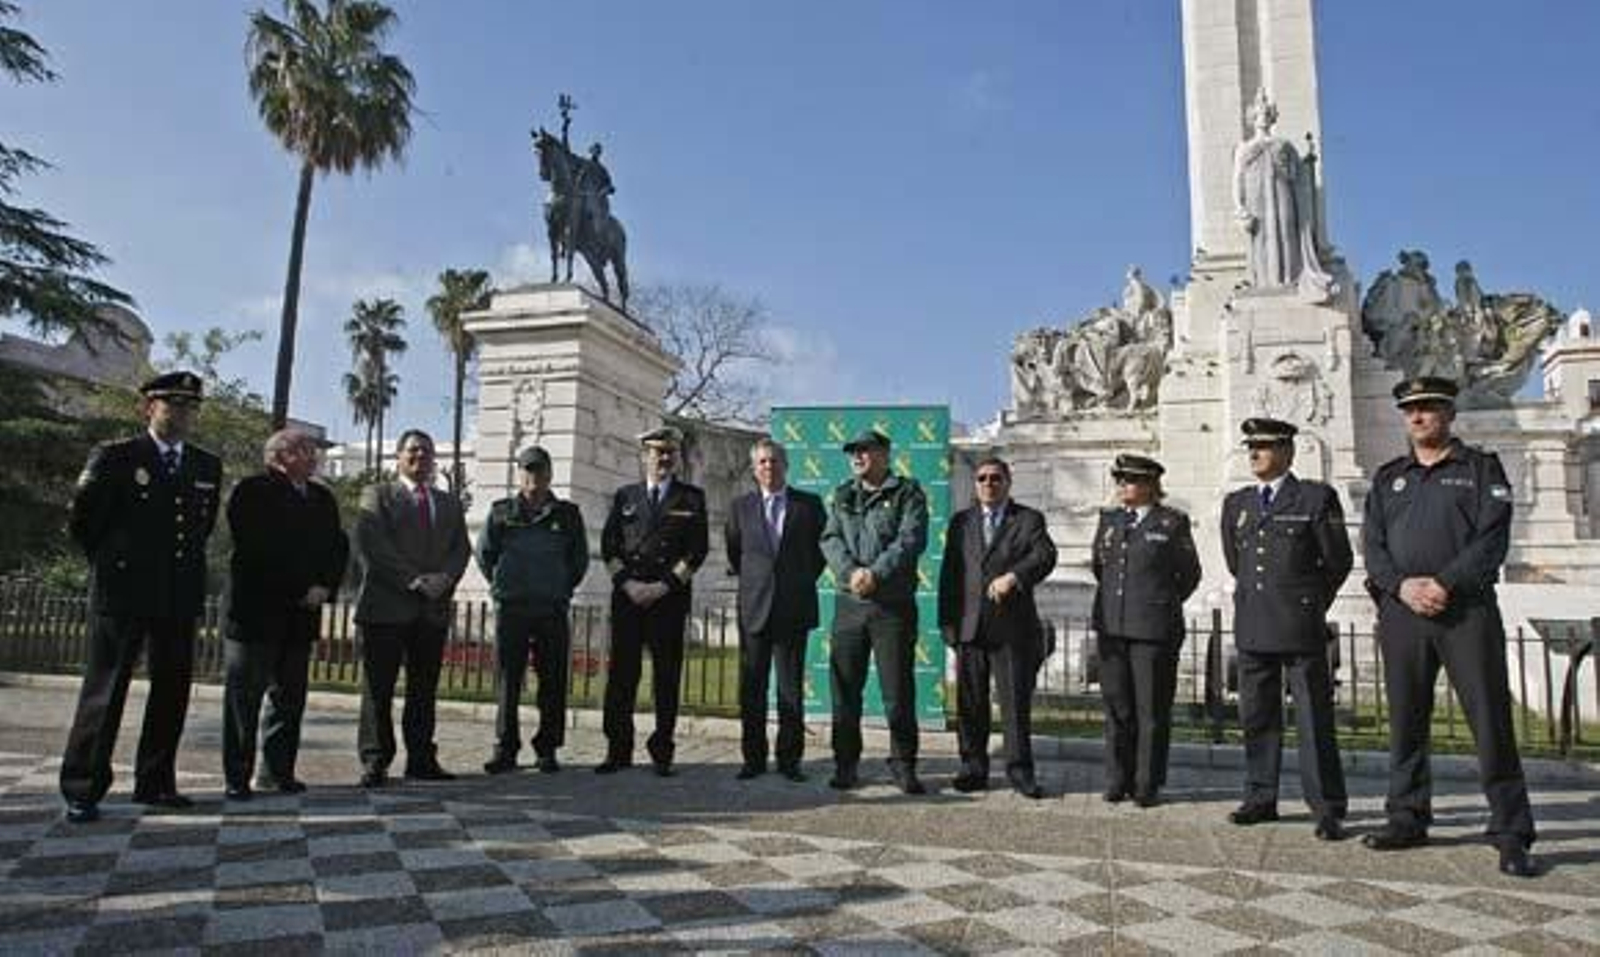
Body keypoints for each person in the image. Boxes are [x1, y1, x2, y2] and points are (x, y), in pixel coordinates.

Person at [1361, 377, 1538, 878]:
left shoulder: (1480, 469)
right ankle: (1407, 816)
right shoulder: (1388, 477)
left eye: (1428, 409)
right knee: (1406, 721)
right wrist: (1401, 587)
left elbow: (1491, 540)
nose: (1418, 417)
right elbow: (1373, 547)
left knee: (1490, 722)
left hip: (1465, 613)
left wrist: (1445, 583)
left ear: (1448, 413)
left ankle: (1511, 832)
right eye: (1410, 410)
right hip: (1403, 614)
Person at [59, 371, 223, 823]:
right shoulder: (116, 457)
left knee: (172, 689)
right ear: (149, 407)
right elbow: (84, 521)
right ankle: (83, 787)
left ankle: (156, 781)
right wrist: (114, 564)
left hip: (177, 592)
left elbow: (199, 530)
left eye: (190, 406)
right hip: (124, 592)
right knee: (105, 690)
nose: (183, 414)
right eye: (173, 404)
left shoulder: (206, 465)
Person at [1219, 418, 1352, 840]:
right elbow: (1235, 561)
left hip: (1299, 624)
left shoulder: (1314, 497)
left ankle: (1326, 807)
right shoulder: (1237, 503)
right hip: (1254, 621)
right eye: (1251, 447)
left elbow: (1337, 561)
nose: (1255, 453)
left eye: (1265, 446)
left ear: (1287, 453)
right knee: (1257, 716)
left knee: (1313, 718)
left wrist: (1309, 603)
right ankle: (1261, 796)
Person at [221, 429, 347, 800]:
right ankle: (237, 775)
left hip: (301, 617)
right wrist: (299, 588)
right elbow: (257, 549)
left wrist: (325, 585)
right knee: (245, 698)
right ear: (279, 455)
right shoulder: (253, 491)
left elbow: (338, 546)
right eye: (305, 451)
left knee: (288, 698)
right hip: (256, 614)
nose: (314, 458)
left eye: (314, 451)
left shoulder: (322, 497)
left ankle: (277, 771)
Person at [352, 430, 470, 787]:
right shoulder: (378, 495)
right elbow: (374, 545)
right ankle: (375, 759)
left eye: (427, 451)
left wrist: (444, 579)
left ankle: (421, 758)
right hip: (387, 608)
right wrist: (415, 580)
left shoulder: (448, 502)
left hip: (431, 610)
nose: (421, 457)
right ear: (398, 457)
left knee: (423, 689)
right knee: (378, 689)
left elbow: (460, 548)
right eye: (413, 451)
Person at [938, 456, 1058, 799]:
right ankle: (973, 768)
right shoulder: (961, 522)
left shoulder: (1028, 519)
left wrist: (1015, 576)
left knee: (1014, 705)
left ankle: (1020, 772)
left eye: (995, 478)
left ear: (1008, 482)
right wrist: (948, 625)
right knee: (970, 705)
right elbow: (949, 575)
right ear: (975, 484)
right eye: (982, 479)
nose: (988, 484)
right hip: (970, 628)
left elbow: (1045, 555)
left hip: (1012, 630)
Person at [821, 428, 930, 793]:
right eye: (853, 451)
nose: (857, 456)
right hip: (849, 604)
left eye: (864, 450)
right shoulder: (841, 495)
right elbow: (830, 539)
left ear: (884, 454)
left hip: (891, 606)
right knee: (844, 689)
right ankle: (846, 764)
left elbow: (910, 539)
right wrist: (851, 573)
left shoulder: (907, 492)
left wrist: (875, 573)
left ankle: (903, 764)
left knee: (897, 692)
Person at [1091, 453, 1201, 807]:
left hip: (1153, 629)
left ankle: (1147, 782)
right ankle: (1117, 778)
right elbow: (1100, 569)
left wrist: (1158, 603)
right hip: (1113, 627)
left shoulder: (1171, 522)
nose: (1124, 486)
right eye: (1120, 480)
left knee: (1150, 710)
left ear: (1152, 485)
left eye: (1132, 480)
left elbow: (1189, 575)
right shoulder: (1109, 521)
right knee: (1117, 707)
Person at [598, 426, 709, 776]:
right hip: (629, 599)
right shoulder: (624, 496)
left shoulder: (692, 498)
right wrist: (628, 585)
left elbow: (696, 553)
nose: (663, 458)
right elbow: (609, 548)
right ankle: (618, 749)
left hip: (668, 601)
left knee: (666, 678)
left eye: (669, 453)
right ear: (644, 455)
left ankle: (663, 751)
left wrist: (662, 586)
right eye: (657, 452)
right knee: (621, 679)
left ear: (676, 457)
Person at [476, 446, 588, 775]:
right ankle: (505, 748)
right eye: (527, 470)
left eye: (539, 471)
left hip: (551, 607)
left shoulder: (567, 514)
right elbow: (485, 554)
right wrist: (502, 587)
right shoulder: (500, 512)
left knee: (552, 681)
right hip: (513, 607)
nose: (533, 477)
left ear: (550, 475)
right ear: (519, 474)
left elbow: (578, 559)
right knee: (508, 681)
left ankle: (547, 748)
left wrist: (562, 587)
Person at [724, 437, 826, 782]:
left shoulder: (809, 505)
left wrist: (793, 582)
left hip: (792, 608)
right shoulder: (740, 507)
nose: (769, 467)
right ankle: (753, 759)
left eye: (775, 461)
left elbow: (819, 556)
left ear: (786, 465)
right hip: (753, 608)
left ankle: (789, 760)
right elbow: (735, 553)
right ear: (754, 469)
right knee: (751, 688)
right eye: (763, 462)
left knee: (790, 689)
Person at [1232, 88, 1333, 298]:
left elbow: (1298, 175)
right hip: (1255, 195)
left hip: (1281, 192)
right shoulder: (1244, 147)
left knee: (1286, 230)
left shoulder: (1284, 144)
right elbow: (1237, 178)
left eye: (1267, 114)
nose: (1263, 118)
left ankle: (1288, 277)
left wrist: (1308, 165)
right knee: (1261, 237)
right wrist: (1240, 207)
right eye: (1259, 115)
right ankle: (1263, 280)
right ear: (1252, 119)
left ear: (1272, 118)